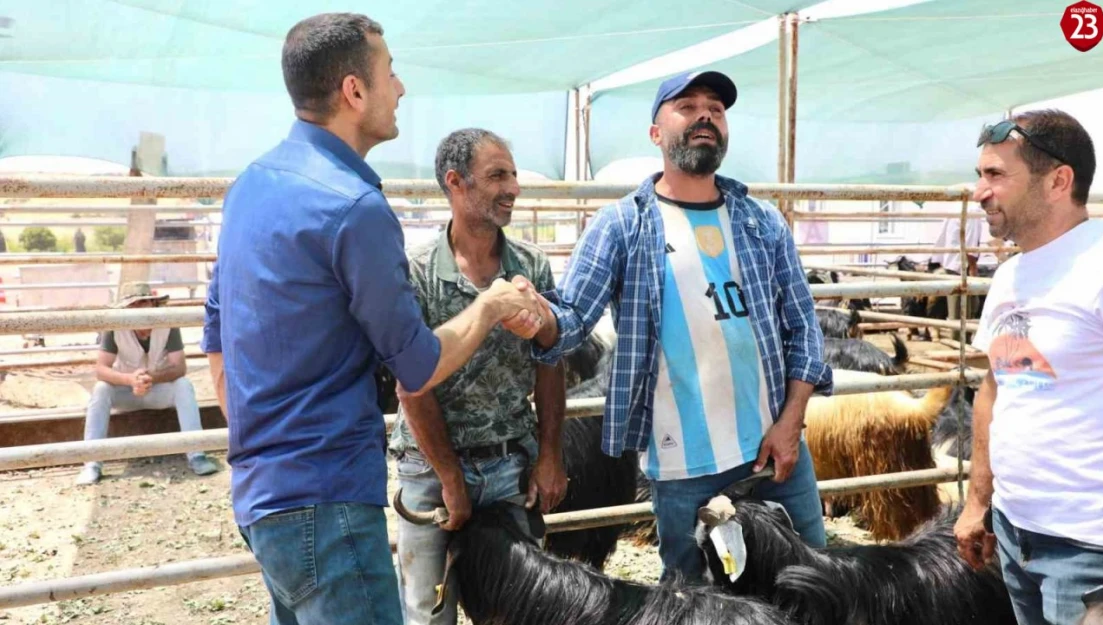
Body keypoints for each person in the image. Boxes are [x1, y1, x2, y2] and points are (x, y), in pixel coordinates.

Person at [201, 14, 543, 625]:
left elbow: (217, 330)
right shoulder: (354, 207)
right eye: (390, 73)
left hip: (261, 495)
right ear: (354, 92)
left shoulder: (251, 185)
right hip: (328, 501)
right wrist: (490, 305)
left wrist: (258, 438)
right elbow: (416, 363)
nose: (401, 89)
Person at [516, 70, 833, 583]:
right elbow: (571, 322)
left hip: (774, 452)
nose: (705, 115)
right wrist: (536, 315)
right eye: (687, 106)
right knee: (694, 600)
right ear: (656, 133)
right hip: (682, 463)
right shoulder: (622, 225)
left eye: (716, 108)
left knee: (812, 587)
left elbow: (804, 329)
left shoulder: (761, 222)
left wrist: (791, 421)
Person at [390, 128, 568, 625]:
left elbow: (550, 362)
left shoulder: (530, 264)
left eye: (512, 174)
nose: (512, 187)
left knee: (522, 611)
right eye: (497, 175)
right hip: (428, 470)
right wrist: (450, 477)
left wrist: (551, 454)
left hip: (510, 464)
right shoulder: (416, 272)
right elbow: (412, 383)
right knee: (430, 611)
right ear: (455, 183)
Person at [954, 110, 1103, 625]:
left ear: (1058, 181)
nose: (980, 191)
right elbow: (995, 390)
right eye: (981, 175)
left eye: (996, 175)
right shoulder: (1010, 275)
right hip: (1015, 533)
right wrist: (979, 502)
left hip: (1091, 548)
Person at [77, 281, 218, 485]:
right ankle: (92, 463)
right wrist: (129, 379)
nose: (139, 308)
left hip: (156, 389)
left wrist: (151, 377)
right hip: (126, 391)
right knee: (101, 390)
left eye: (144, 302)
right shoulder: (114, 327)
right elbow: (101, 369)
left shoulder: (167, 323)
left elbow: (179, 367)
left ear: (153, 304)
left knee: (184, 385)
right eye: (133, 305)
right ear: (125, 310)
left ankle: (197, 455)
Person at [928, 214, 984, 332]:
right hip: (962, 266)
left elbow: (942, 237)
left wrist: (940, 259)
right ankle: (962, 344)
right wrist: (973, 265)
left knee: (956, 311)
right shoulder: (972, 211)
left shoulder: (955, 208)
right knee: (966, 310)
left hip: (951, 263)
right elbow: (971, 242)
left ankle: (958, 341)